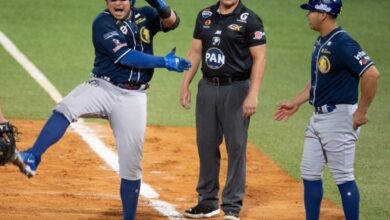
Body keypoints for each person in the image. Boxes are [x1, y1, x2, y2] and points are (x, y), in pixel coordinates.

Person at [13, 0, 190, 219]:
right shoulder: (103, 23)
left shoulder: (145, 15)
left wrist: (158, 4)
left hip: (134, 97)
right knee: (66, 107)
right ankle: (33, 156)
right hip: (102, 87)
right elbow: (126, 57)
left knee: (131, 165)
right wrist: (164, 62)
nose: (117, 3)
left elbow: (172, 22)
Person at [273, 0, 380, 219]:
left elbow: (371, 74)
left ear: (323, 14)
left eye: (311, 10)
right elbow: (316, 81)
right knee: (309, 172)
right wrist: (296, 102)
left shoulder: (343, 43)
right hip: (318, 118)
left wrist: (362, 110)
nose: (308, 15)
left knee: (343, 176)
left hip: (339, 119)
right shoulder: (322, 41)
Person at [180, 0, 266, 219]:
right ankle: (208, 202)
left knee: (236, 147)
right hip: (208, 87)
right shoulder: (205, 15)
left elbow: (259, 58)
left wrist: (252, 94)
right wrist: (185, 84)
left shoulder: (250, 20)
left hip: (236, 89)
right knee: (206, 145)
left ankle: (232, 206)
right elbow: (196, 51)